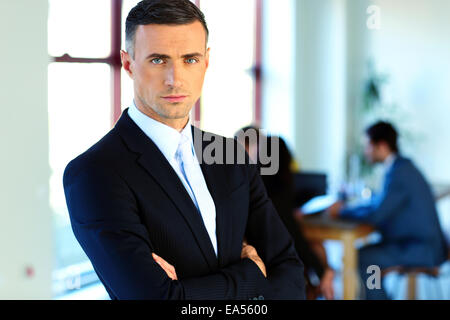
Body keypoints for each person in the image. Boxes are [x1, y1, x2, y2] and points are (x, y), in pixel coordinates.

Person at [63, 0, 305, 300]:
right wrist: (252, 275)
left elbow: (289, 269)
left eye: (189, 59)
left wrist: (191, 292)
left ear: (205, 62)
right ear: (128, 64)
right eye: (158, 60)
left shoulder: (231, 155)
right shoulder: (94, 174)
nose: (174, 78)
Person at [327, 121, 448, 299]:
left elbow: (377, 214)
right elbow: (379, 203)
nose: (365, 151)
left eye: (368, 146)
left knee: (365, 260)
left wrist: (342, 211)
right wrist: (351, 208)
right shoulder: (402, 168)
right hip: (420, 244)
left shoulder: (399, 174)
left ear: (381, 146)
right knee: (366, 256)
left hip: (421, 249)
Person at [235, 126, 335, 300]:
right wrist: (323, 270)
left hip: (259, 254)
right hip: (260, 258)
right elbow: (291, 235)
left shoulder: (256, 184)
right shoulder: (263, 188)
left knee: (316, 248)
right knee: (313, 251)